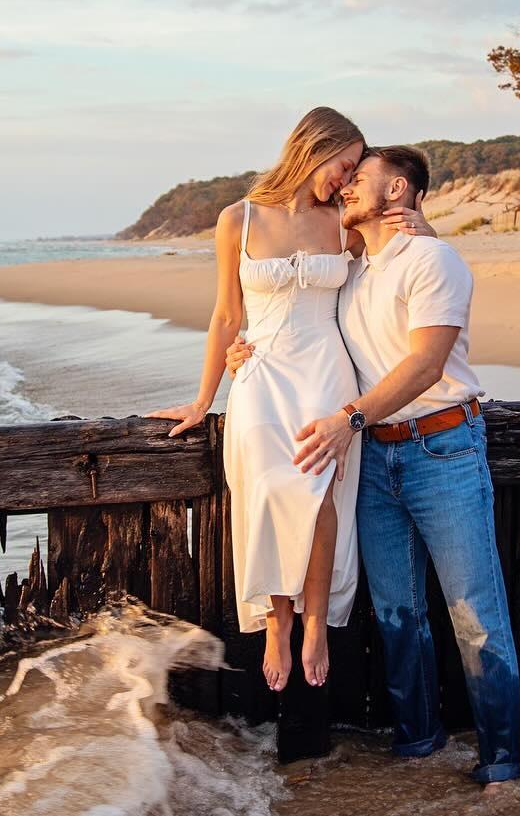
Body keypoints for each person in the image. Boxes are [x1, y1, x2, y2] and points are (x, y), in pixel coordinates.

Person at [226, 145, 520, 789]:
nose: (346, 187)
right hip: (375, 453)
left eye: (360, 179)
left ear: (398, 192)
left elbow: (425, 366)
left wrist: (348, 419)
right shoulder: (356, 267)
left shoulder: (433, 259)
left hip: (440, 448)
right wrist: (245, 349)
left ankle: (501, 760)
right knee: (396, 612)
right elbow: (295, 317)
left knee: (473, 610)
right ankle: (419, 741)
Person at [147, 108, 432, 693]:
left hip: (327, 371)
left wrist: (423, 225)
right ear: (312, 149)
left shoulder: (343, 223)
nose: (347, 180)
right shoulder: (238, 219)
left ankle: (317, 623)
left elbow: (393, 264)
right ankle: (278, 620)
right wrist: (203, 400)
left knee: (322, 491)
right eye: (344, 165)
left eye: (356, 171)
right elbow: (227, 314)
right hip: (261, 375)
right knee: (273, 491)